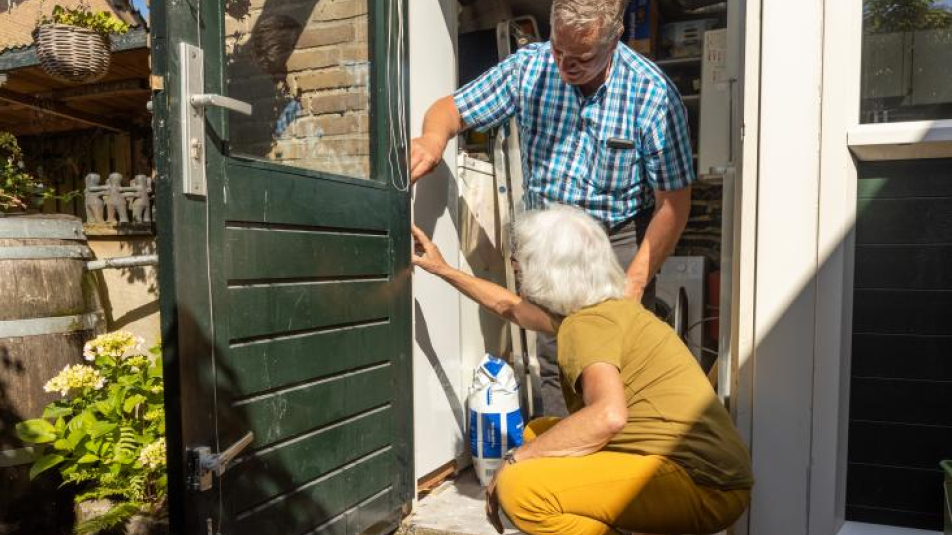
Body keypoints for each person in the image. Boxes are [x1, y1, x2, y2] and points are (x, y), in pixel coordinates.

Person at [410, 0, 696, 416]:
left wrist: (634, 284)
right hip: (547, 242)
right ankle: (559, 454)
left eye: (581, 58)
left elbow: (674, 203)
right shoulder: (530, 67)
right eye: (558, 49)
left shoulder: (653, 96)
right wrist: (432, 140)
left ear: (614, 39)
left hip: (616, 242)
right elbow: (449, 110)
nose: (564, 66)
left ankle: (618, 464)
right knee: (555, 356)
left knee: (616, 362)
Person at [411, 205, 752, 535]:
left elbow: (608, 416)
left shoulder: (585, 325)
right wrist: (444, 269)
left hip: (703, 483)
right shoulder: (606, 309)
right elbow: (511, 308)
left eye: (522, 261)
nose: (516, 267)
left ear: (548, 270)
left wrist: (515, 460)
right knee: (539, 432)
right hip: (707, 474)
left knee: (521, 488)